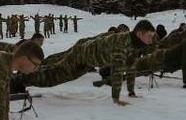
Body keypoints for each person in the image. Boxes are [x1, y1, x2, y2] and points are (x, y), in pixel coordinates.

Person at [19, 20, 157, 106]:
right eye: (149, 36)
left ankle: (24, 76)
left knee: (54, 70)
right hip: (80, 56)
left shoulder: (134, 45)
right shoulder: (123, 43)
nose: (151, 40)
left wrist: (131, 91)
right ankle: (18, 81)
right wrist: (116, 99)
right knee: (53, 76)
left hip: (87, 60)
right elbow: (118, 71)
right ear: (140, 34)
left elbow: (131, 67)